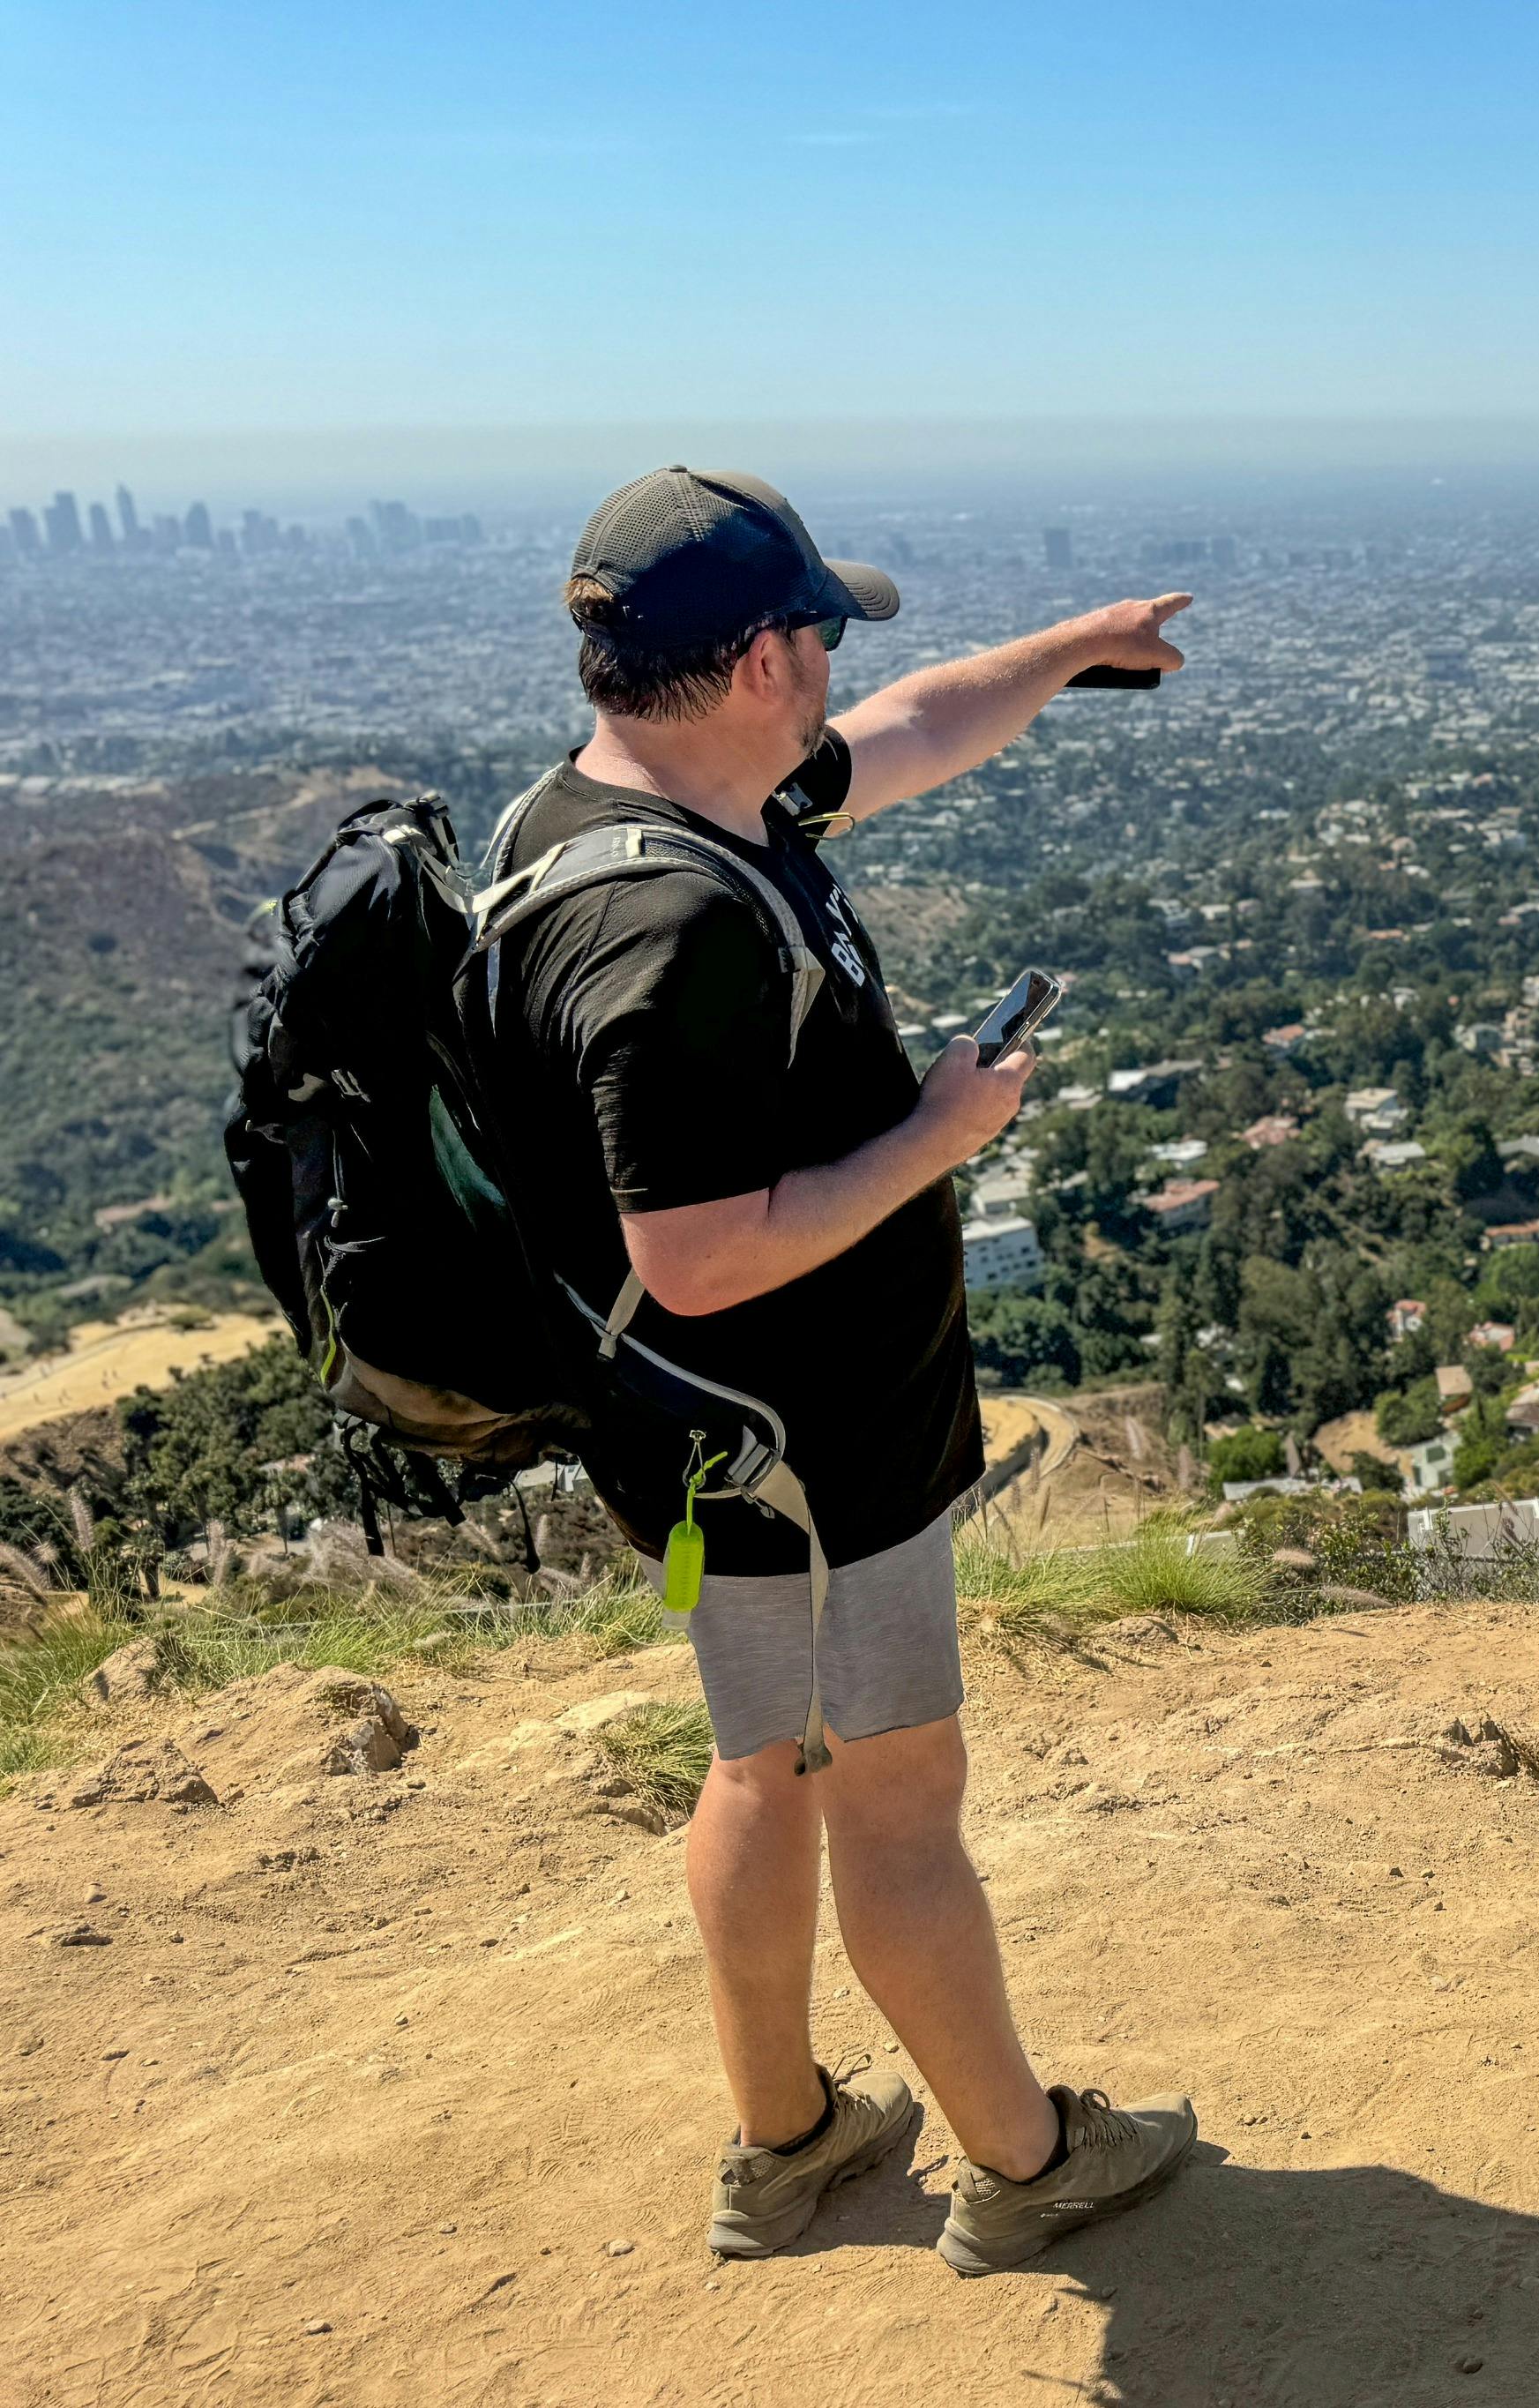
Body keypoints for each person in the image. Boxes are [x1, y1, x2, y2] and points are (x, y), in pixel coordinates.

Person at [476, 467, 1199, 2270]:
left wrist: (1071, 650)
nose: (830, 657)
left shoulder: (622, 811)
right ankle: (1024, 2168)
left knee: (763, 1769)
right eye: (808, 630)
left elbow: (904, 730)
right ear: (740, 667)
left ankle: (787, 2142)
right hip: (804, 1451)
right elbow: (696, 1254)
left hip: (718, 1448)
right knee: (891, 1799)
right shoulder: (674, 935)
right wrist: (939, 1137)